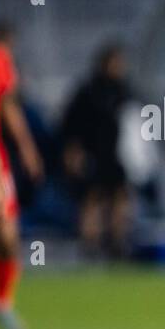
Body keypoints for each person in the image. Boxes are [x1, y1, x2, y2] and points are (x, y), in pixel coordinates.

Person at [0, 22, 45, 329]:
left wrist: (26, 149)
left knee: (7, 234)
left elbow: (7, 109)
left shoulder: (0, 65)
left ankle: (3, 303)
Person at [60, 43, 133, 257]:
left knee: (120, 197)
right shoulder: (88, 91)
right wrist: (73, 153)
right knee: (92, 199)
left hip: (117, 155)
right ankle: (90, 245)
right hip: (93, 154)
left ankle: (117, 243)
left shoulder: (123, 90)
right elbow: (71, 125)